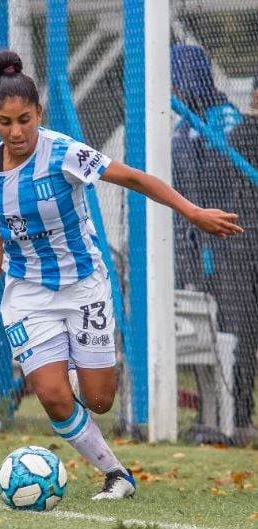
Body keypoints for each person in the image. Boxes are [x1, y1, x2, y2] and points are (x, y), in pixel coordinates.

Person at [0, 51, 242, 500]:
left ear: (39, 113)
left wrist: (191, 210)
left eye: (25, 119)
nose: (16, 132)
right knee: (51, 394)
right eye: (5, 122)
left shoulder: (65, 152)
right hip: (27, 291)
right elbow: (8, 228)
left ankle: (67, 362)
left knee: (99, 400)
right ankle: (116, 473)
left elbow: (132, 178)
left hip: (84, 285)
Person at [170, 44, 254, 444]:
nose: (174, 87)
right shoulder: (182, 123)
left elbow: (223, 182)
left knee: (235, 329)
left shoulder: (225, 120)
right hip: (193, 244)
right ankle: (211, 415)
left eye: (179, 78)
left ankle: (238, 415)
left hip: (230, 245)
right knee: (204, 330)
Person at [223, 74, 257, 443]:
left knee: (244, 337)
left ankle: (242, 415)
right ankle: (242, 416)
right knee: (243, 339)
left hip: (238, 249)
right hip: (241, 249)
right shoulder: (240, 135)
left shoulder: (235, 134)